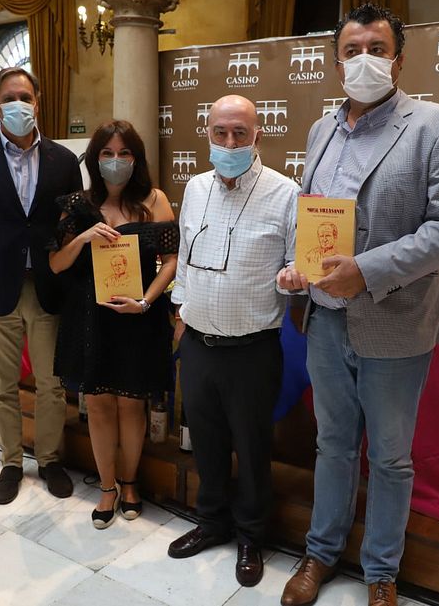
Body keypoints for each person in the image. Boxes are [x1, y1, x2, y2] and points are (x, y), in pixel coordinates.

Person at [277, 3, 439, 606]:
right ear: (334, 59)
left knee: (390, 458)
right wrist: (301, 267)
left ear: (398, 56)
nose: (363, 59)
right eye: (351, 49)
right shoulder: (320, 130)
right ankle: (319, 554)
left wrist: (365, 272)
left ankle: (380, 572)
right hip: (324, 322)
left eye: (376, 47)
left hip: (395, 320)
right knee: (332, 445)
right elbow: (316, 217)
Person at [168, 95, 298, 588]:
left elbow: (295, 262)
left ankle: (250, 535)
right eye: (220, 133)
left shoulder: (286, 194)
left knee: (252, 445)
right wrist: (179, 314)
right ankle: (211, 522)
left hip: (252, 349)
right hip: (198, 343)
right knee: (206, 442)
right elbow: (184, 255)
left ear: (257, 135)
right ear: (207, 134)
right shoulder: (195, 187)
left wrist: (292, 277)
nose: (229, 142)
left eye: (239, 134)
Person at [0, 67, 83, 505]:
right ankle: (11, 461)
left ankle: (48, 459)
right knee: (2, 384)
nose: (19, 105)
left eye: (26, 97)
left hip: (47, 287)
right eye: (10, 98)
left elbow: (73, 228)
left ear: (38, 101)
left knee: (51, 383)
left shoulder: (64, 161)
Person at [49, 120, 177, 529]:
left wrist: (146, 301)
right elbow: (56, 264)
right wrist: (83, 238)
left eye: (124, 153)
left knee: (132, 403)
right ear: (94, 158)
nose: (116, 161)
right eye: (107, 153)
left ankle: (131, 482)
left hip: (138, 316)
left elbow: (173, 261)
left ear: (136, 159)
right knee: (100, 404)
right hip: (91, 316)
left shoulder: (154, 200)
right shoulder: (78, 203)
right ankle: (107, 488)